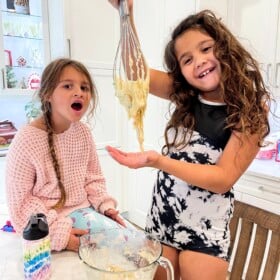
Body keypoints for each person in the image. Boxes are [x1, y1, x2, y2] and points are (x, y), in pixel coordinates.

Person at [107, 1, 271, 279]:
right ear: (181, 71)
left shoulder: (251, 110)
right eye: (187, 59)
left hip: (204, 234)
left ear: (224, 47)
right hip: (161, 222)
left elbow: (222, 178)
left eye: (206, 48)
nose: (200, 61)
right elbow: (135, 74)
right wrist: (125, 14)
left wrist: (158, 161)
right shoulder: (186, 94)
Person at [6, 58, 126, 252]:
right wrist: (57, 235)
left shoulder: (83, 132)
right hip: (47, 226)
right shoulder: (26, 141)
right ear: (47, 94)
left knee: (128, 244)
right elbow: (21, 205)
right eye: (68, 86)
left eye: (84, 88)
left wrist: (105, 207)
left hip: (85, 212)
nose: (79, 92)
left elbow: (93, 179)